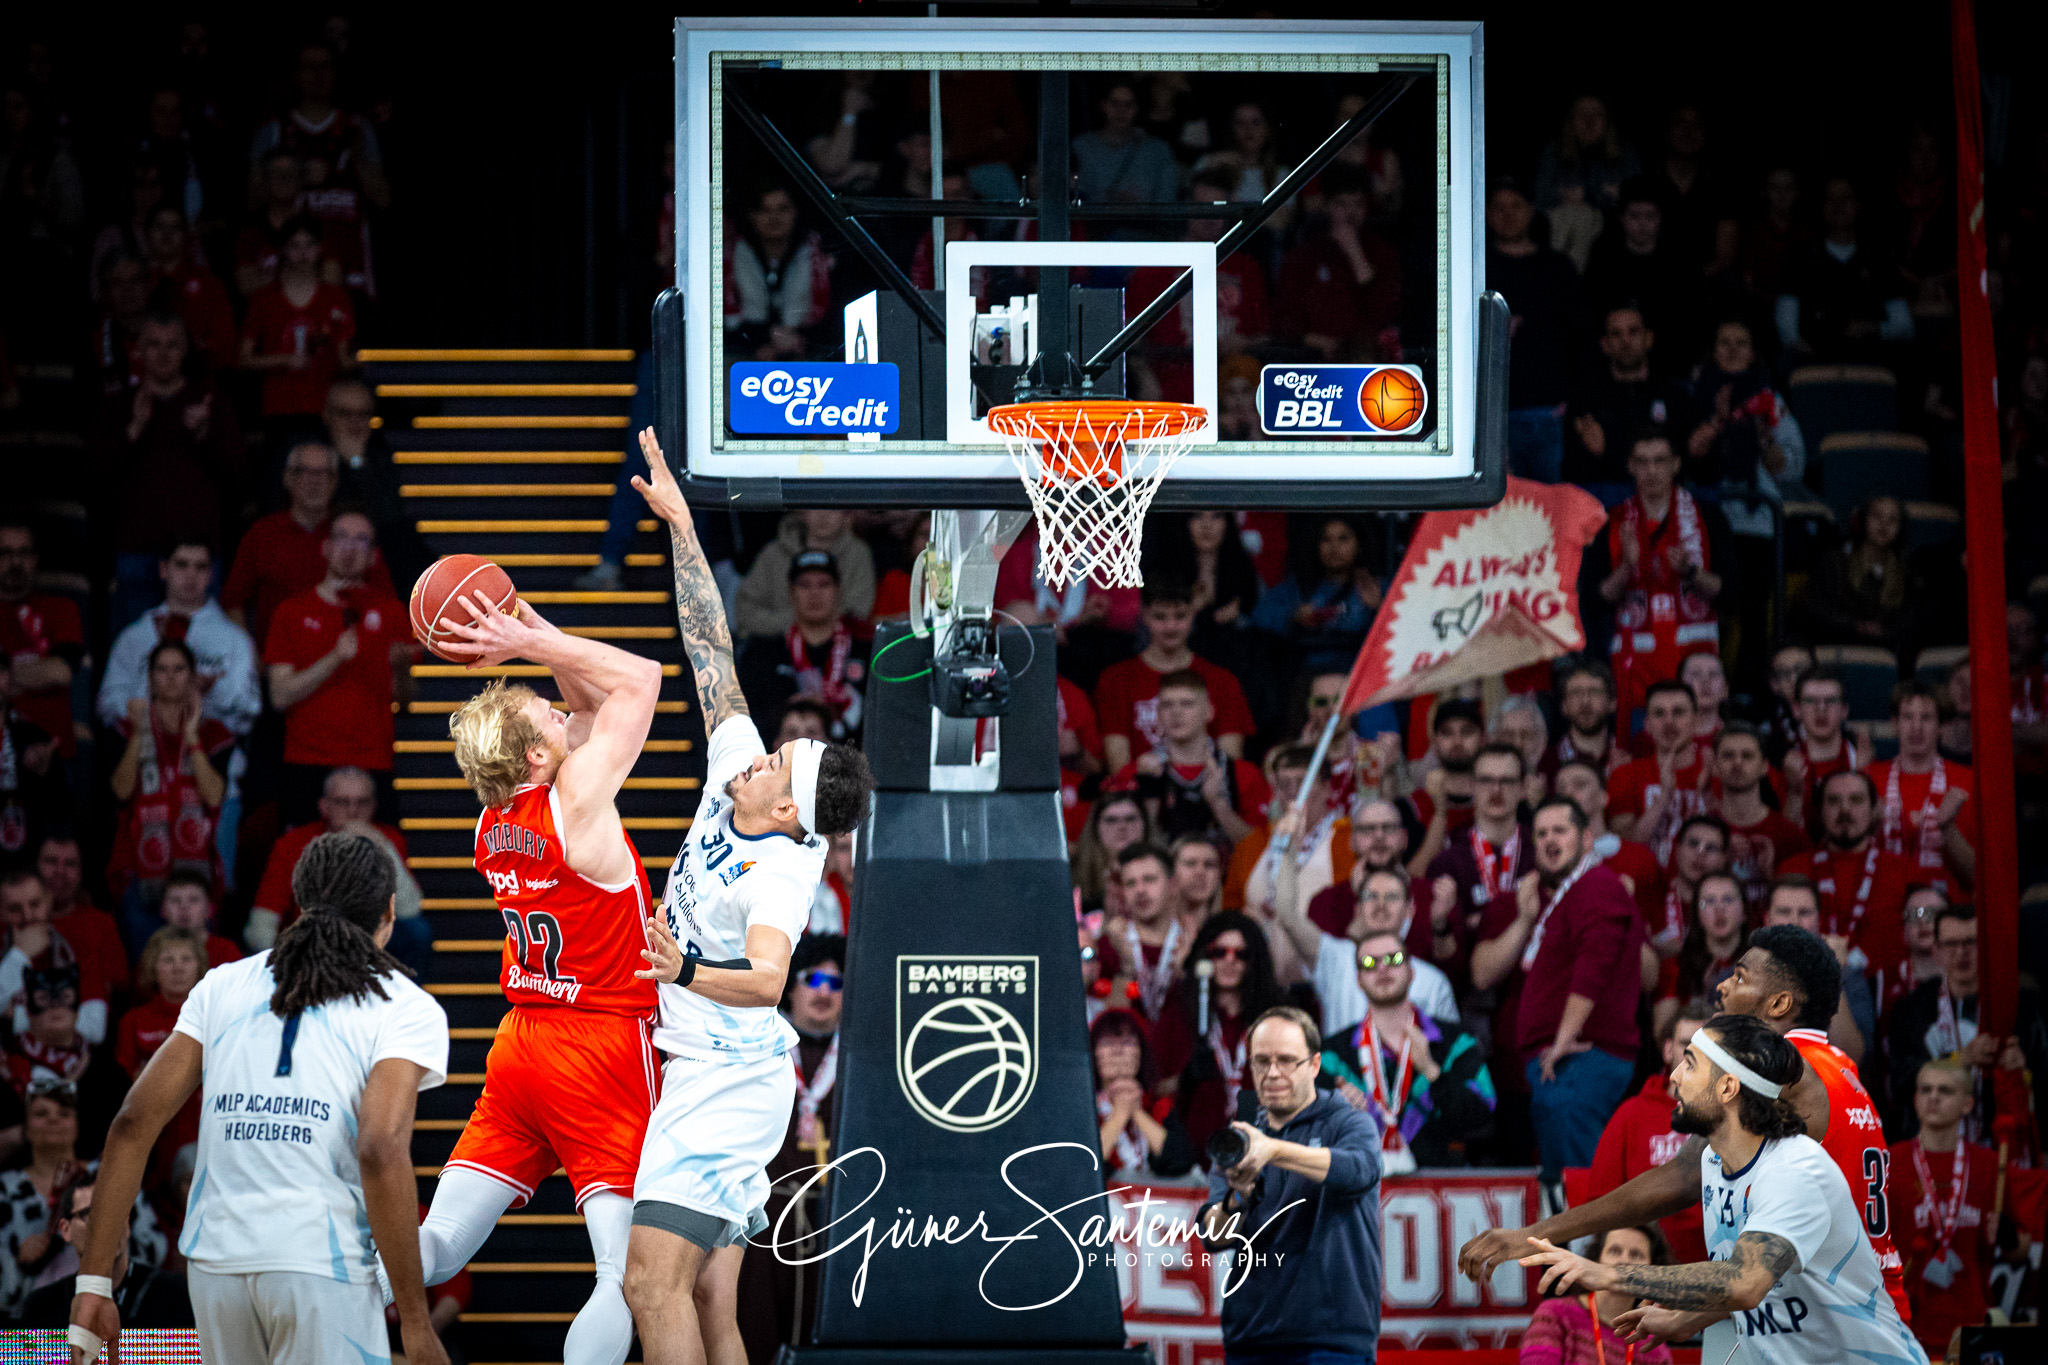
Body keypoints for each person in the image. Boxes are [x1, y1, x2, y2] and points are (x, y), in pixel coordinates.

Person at [624, 428, 876, 1365]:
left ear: (788, 811)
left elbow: (770, 978)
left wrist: (682, 965)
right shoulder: (740, 767)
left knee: (650, 1281)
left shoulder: (781, 869)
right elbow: (709, 649)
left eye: (779, 762)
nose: (760, 752)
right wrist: (685, 528)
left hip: (726, 1082)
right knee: (708, 1302)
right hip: (718, 1066)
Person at [68, 833, 450, 1365]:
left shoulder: (222, 984)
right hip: (323, 1265)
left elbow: (132, 1123)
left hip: (215, 1264)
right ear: (388, 912)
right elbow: (380, 1150)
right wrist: (414, 1319)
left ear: (298, 901)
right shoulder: (404, 1005)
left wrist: (93, 1282)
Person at [410, 578, 666, 1365]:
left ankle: (320, 1274)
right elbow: (640, 681)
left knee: (439, 1243)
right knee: (622, 1275)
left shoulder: (493, 819)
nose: (562, 715)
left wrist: (524, 625)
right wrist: (528, 642)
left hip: (522, 1046)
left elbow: (584, 705)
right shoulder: (577, 799)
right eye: (546, 720)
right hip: (602, 1046)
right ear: (534, 754)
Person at [1458, 924, 1911, 1327]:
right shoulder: (1834, 1065)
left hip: (1846, 1323)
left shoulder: (1785, 1074)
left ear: (1779, 1004)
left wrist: (1532, 1237)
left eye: (1739, 978)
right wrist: (1691, 1318)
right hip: (1831, 1309)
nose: (1722, 990)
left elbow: (1677, 1180)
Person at [1515, 1015, 1926, 1365]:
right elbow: (1771, 1281)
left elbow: (1745, 1282)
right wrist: (1688, 1318)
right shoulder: (1716, 1161)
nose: (1674, 1076)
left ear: (1728, 1088)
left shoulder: (1794, 1170)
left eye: (1690, 1065)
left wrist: (1606, 1273)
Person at [1197, 1007, 1382, 1364]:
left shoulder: (1349, 1123)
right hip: (1250, 1337)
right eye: (1261, 1061)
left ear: (1314, 1065)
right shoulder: (1241, 1140)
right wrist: (1239, 1195)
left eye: (1286, 1060)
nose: (1272, 1073)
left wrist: (1273, 1150)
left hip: (1332, 1339)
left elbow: (1359, 1170)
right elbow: (1214, 1237)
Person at [1470, 797, 1643, 1178]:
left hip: (1581, 1057)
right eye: (1542, 834)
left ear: (1586, 839)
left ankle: (1589, 1241)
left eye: (1560, 831)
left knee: (1577, 1185)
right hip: (1564, 1062)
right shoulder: (1569, 892)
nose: (1549, 840)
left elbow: (1595, 965)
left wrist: (1564, 1038)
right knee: (1561, 1181)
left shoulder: (1596, 885)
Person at [263, 508, 412, 823]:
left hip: (373, 762)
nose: (350, 548)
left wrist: (400, 669)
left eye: (361, 540)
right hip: (308, 763)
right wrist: (334, 659)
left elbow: (405, 700)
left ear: (373, 556)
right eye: (342, 538)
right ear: (325, 548)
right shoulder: (291, 611)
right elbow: (279, 696)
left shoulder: (393, 613)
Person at [737, 932, 845, 1364]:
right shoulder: (761, 1051)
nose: (823, 991)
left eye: (836, 984)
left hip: (839, 1228)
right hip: (766, 1228)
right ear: (789, 987)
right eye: (813, 978)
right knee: (755, 1332)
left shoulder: (858, 1062)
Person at [97, 314, 245, 628]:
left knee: (199, 656)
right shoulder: (118, 405)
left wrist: (205, 434)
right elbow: (95, 473)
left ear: (185, 351)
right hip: (136, 552)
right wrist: (133, 430)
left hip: (196, 559)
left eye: (173, 345)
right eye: (154, 345)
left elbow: (238, 474)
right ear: (139, 350)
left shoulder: (210, 403)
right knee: (137, 659)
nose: (163, 353)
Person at [1321, 929, 1495, 1171]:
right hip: (1359, 1188)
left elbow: (1483, 1119)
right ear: (1359, 980)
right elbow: (1304, 1132)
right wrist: (1334, 1111)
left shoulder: (1456, 1043)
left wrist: (1432, 1071)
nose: (1382, 968)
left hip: (1442, 1188)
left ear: (1412, 972)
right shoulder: (1331, 1055)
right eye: (1369, 963)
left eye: (1394, 959)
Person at [1272, 821, 1460, 1035]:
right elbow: (1287, 914)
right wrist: (1289, 849)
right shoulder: (1336, 958)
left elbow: (1449, 1057)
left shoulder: (1433, 983)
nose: (1381, 905)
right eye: (1371, 896)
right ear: (1359, 908)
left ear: (1410, 910)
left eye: (1391, 897)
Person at [1, 1083, 167, 1322]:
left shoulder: (110, 1176)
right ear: (25, 1129)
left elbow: (154, 1246)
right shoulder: (5, 1188)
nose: (53, 1120)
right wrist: (17, 1260)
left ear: (78, 1125)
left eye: (64, 1114)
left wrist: (113, 1249)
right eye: (41, 1113)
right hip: (33, 1326)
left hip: (115, 1318)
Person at [1594, 432, 1727, 722]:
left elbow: (1730, 591)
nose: (1651, 470)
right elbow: (1597, 599)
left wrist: (1690, 571)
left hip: (1694, 665)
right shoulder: (1613, 521)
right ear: (1630, 466)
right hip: (1635, 670)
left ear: (1676, 464)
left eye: (1660, 461)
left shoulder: (1708, 516)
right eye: (1642, 462)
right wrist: (1628, 567)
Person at [1886, 907, 2048, 1146]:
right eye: (1951, 944)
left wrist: (2022, 1071)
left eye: (1971, 942)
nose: (1962, 953)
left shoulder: (2019, 1007)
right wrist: (1961, 1059)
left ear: (1986, 947)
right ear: (1937, 951)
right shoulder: (1911, 1009)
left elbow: (2043, 1076)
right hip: (1931, 1148)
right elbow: (1900, 1082)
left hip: (2000, 1148)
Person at [221, 440, 394, 645]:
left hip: (344, 661)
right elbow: (233, 603)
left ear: (335, 481)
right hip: (277, 664)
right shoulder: (262, 533)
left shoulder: (354, 533)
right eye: (304, 471)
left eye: (324, 473)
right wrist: (249, 658)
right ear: (287, 478)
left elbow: (385, 601)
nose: (315, 481)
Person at [107, 640, 233, 912]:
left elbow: (213, 796)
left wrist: (191, 738)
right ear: (150, 678)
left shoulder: (214, 733)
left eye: (179, 669)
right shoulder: (125, 728)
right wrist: (139, 735)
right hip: (139, 865)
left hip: (197, 872)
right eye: (162, 670)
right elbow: (121, 791)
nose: (171, 677)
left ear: (191, 676)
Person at [1888, 1059, 2002, 1355]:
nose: (1933, 1097)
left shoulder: (1990, 1165)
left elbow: (2019, 1250)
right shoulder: (1889, 1162)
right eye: (1925, 1089)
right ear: (1914, 1099)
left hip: (1971, 1327)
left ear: (1967, 1104)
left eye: (1945, 1091)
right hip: (1903, 1327)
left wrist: (2007, 1235)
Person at [1156, 912, 1286, 1165]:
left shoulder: (1275, 1018)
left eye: (1241, 954)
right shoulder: (1180, 1012)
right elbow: (1154, 1086)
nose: (1230, 961)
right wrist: (1185, 1079)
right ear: (1206, 956)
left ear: (1254, 961)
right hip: (1195, 1158)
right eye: (1219, 952)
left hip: (1263, 1157)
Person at [96, 538, 262, 737]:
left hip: (213, 754)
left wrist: (210, 690)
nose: (191, 575)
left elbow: (250, 710)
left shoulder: (235, 639)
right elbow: (107, 706)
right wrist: (160, 701)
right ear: (164, 570)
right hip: (144, 751)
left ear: (210, 575)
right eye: (182, 565)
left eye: (200, 567)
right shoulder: (135, 636)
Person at [1587, 1004, 1712, 1265]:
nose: (1695, 1054)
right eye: (1686, 1043)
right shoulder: (1631, 1114)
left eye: (1706, 1046)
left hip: (1714, 1268)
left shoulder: (1730, 1117)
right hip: (1643, 1266)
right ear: (1667, 1050)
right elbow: (1601, 1199)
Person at [1095, 581, 1256, 772]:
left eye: (1180, 616)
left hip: (1206, 792)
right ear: (1144, 615)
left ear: (1193, 613)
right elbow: (1119, 768)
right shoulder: (1115, 680)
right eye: (1160, 617)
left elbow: (1230, 764)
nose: (1170, 626)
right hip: (1143, 791)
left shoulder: (1222, 681)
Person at [248, 765, 412, 950]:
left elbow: (410, 912)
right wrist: (284, 966)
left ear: (374, 805)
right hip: (311, 946)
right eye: (342, 802)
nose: (353, 811)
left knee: (416, 932)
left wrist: (382, 847)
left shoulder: (388, 839)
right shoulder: (292, 844)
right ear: (324, 806)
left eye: (362, 802)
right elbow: (262, 921)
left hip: (371, 945)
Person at [1488, 176, 1584, 484]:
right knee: (1503, 513)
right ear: (1487, 214)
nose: (1508, 215)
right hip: (1495, 415)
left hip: (1549, 412)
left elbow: (1581, 337)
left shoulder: (1557, 267)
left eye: (1516, 206)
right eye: (1499, 207)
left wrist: (1573, 401)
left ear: (1531, 211)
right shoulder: (1476, 266)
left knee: (1550, 514)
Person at [1107, 670, 1270, 845]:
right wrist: (1148, 793)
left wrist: (1219, 804)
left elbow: (1261, 850)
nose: (1176, 712)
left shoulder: (1242, 774)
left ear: (1209, 712)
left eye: (1187, 704)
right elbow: (1115, 846)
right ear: (1158, 714)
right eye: (1167, 705)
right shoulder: (1134, 773)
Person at [1419, 743, 1534, 989]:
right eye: (1486, 780)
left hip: (1529, 986)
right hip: (1467, 996)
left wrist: (1474, 922)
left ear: (1523, 788)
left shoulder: (1540, 856)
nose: (1496, 789)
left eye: (1507, 781)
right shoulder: (1446, 863)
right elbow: (1441, 953)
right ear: (1472, 786)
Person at [1780, 770, 1912, 979]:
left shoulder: (1904, 872)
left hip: (1885, 997)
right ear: (1820, 810)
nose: (1845, 810)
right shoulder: (1792, 870)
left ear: (1875, 808)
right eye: (1833, 801)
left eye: (1856, 800)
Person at [18, 1169, 190, 1327]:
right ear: (66, 1230)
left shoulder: (174, 1294)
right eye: (88, 1216)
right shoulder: (42, 1307)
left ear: (127, 1223)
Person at [736, 550, 870, 743]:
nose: (814, 593)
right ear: (790, 592)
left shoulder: (866, 650)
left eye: (824, 584)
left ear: (838, 590)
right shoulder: (761, 655)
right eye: (804, 585)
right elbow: (748, 725)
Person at [1273, 170, 1402, 362]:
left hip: (1366, 355)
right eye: (1341, 204)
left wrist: (1356, 255)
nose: (1351, 213)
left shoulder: (1381, 253)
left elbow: (1385, 311)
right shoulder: (1304, 254)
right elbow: (1284, 317)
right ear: (1327, 206)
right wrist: (1316, 341)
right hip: (1312, 354)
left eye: (1358, 204)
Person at [239, 215, 357, 421]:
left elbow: (344, 360)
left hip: (326, 410)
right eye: (295, 245)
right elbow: (243, 359)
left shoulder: (336, 297)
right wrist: (286, 360)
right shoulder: (263, 299)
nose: (303, 253)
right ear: (284, 250)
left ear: (320, 248)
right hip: (278, 409)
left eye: (310, 245)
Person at [1866, 680, 1975, 898]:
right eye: (1907, 717)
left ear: (1941, 726)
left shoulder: (1967, 782)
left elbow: (1977, 876)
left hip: (1948, 908)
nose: (1916, 727)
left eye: (1926, 718)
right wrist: (1871, 826)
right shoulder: (1868, 779)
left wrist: (1948, 829)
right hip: (1883, 901)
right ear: (1894, 723)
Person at [1563, 308, 1693, 490]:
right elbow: (1573, 472)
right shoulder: (1586, 399)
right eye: (1616, 334)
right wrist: (1597, 454)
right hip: (1608, 499)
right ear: (1605, 344)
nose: (1626, 341)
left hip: (1662, 497)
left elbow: (1686, 461)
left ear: (1648, 339)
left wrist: (1608, 451)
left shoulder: (1675, 396)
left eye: (1633, 331)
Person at [1515, 1225, 1676, 1365]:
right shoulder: (1554, 1314)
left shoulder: (1653, 1347)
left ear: (1653, 1270)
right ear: (1596, 1260)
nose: (1624, 1260)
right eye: (1615, 1251)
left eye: (1636, 1255)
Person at [1248, 514, 1385, 675]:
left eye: (1343, 539)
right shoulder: (1298, 587)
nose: (1334, 548)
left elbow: (1403, 632)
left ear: (1359, 544)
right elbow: (1258, 619)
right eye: (1326, 539)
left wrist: (1380, 609)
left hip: (1359, 677)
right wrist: (1292, 616)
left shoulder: (1376, 587)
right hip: (1306, 679)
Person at [0, 520, 84, 760]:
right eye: (5, 553)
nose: (15, 563)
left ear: (35, 558)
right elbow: (49, 671)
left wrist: (4, 676)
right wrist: (36, 672)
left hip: (54, 752)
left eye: (24, 553)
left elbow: (61, 672)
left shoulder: (61, 609)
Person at [1799, 495, 1922, 658]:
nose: (1884, 524)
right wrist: (1855, 627)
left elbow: (1910, 626)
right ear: (1862, 520)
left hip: (1886, 654)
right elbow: (1814, 614)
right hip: (1836, 649)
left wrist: (1884, 632)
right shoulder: (1834, 563)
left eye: (1893, 520)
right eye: (1876, 515)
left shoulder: (1907, 574)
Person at [1606, 680, 1711, 863]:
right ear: (1647, 725)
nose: (1669, 721)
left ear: (1695, 721)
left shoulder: (1714, 773)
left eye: (1678, 712)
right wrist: (1663, 799)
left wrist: (1709, 794)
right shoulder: (1624, 775)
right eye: (1659, 713)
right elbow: (1625, 847)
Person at [733, 510, 877, 639]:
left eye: (833, 507)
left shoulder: (859, 553)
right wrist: (800, 622)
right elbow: (745, 612)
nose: (823, 515)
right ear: (801, 511)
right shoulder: (772, 554)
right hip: (777, 648)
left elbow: (857, 612)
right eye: (814, 506)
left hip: (840, 648)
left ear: (847, 514)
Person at [1710, 723, 1807, 906]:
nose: (1737, 763)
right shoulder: (1701, 834)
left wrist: (1769, 874)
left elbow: (1800, 907)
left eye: (1747, 756)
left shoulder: (1790, 837)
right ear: (1715, 766)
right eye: (1728, 755)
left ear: (1764, 767)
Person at [1091, 1010, 1187, 1183]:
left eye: (1127, 1042)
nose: (1118, 1051)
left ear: (1141, 1052)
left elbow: (1180, 1161)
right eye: (1107, 1043)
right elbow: (1083, 1167)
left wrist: (1136, 1111)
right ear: (1093, 1053)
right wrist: (1119, 1115)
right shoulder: (1082, 1108)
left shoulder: (1159, 1106)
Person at [1402, 698, 1488, 876]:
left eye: (1467, 732)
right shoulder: (1412, 806)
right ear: (1434, 742)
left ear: (1483, 739)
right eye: (1447, 733)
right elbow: (1411, 878)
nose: (1457, 741)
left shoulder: (1499, 797)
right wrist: (1440, 813)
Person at [1104, 845, 1190, 1021]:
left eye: (1150, 880)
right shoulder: (1108, 945)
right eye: (1130, 883)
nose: (1140, 890)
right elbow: (1111, 1023)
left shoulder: (1193, 942)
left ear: (1173, 885)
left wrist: (1184, 972)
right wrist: (1126, 970)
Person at [1780, 668, 1865, 833]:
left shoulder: (1862, 761)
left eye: (1831, 700)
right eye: (1811, 701)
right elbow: (1784, 840)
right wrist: (1794, 794)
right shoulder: (1783, 767)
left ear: (1844, 710)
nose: (1821, 709)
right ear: (1796, 709)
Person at [1666, 872, 1747, 1033]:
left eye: (1728, 899)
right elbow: (1665, 1038)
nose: (1719, 909)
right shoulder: (1675, 968)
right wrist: (1703, 999)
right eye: (1709, 901)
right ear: (1697, 914)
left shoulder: (1761, 965)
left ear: (1744, 911)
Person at [1073, 792, 1154, 917]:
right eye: (1111, 820)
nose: (1122, 826)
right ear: (1096, 828)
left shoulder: (1167, 870)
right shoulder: (1073, 876)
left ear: (1145, 824)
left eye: (1130, 818)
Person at [155, 870, 243, 972]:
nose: (184, 907)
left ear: (210, 909)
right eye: (175, 900)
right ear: (163, 910)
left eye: (193, 900)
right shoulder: (154, 951)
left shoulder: (226, 951)